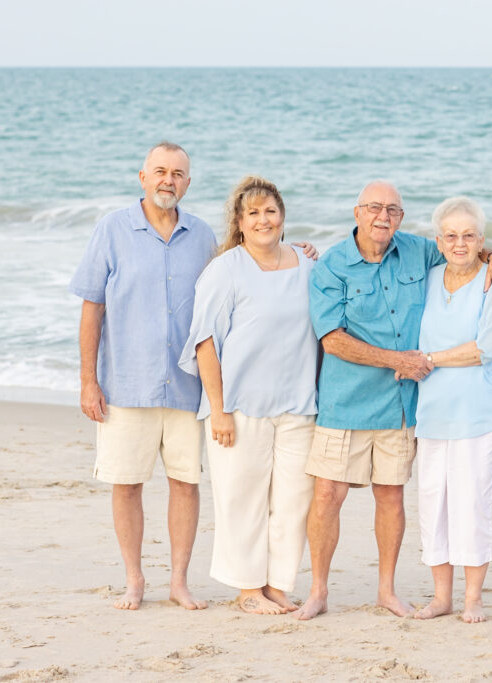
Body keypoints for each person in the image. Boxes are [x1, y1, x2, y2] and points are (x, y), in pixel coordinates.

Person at [294, 181, 492, 620]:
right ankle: (318, 590)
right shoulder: (333, 265)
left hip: (401, 402)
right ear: (357, 212)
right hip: (346, 400)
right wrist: (399, 359)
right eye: (374, 208)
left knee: (391, 497)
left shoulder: (417, 251)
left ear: (402, 217)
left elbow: (463, 250)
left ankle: (387, 590)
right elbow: (332, 339)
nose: (383, 217)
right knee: (328, 495)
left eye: (393, 210)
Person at [69, 141, 215, 611]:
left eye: (177, 173)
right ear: (142, 177)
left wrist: (297, 249)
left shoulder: (204, 236)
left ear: (188, 183)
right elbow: (93, 309)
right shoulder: (112, 229)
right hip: (125, 386)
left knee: (185, 483)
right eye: (159, 171)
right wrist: (88, 381)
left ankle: (178, 580)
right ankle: (134, 579)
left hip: (188, 386)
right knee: (126, 483)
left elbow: (241, 276)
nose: (167, 180)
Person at [178, 176, 318, 615]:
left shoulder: (307, 264)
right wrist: (217, 410)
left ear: (283, 217)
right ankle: (247, 589)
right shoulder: (225, 269)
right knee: (243, 500)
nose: (263, 219)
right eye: (253, 213)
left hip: (299, 404)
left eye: (271, 211)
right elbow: (205, 342)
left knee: (294, 500)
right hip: (238, 407)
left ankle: (278, 585)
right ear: (239, 222)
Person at [411, 197, 492, 624]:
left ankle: (473, 598)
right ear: (438, 241)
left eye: (469, 236)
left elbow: (485, 348)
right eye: (451, 236)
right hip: (433, 411)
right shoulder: (429, 278)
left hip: (480, 411)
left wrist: (427, 359)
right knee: (432, 501)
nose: (459, 243)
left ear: (481, 241)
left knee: (471, 503)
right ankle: (441, 597)